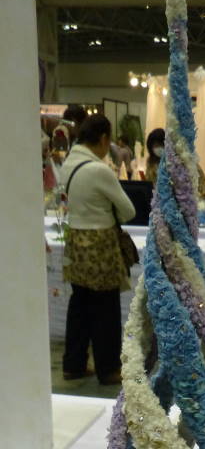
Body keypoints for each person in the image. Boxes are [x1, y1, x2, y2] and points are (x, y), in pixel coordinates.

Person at [60, 115, 136, 385]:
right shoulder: (99, 170)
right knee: (106, 308)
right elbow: (128, 210)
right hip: (100, 243)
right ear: (103, 139)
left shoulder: (68, 164)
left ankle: (74, 364)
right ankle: (108, 368)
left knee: (79, 304)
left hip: (75, 240)